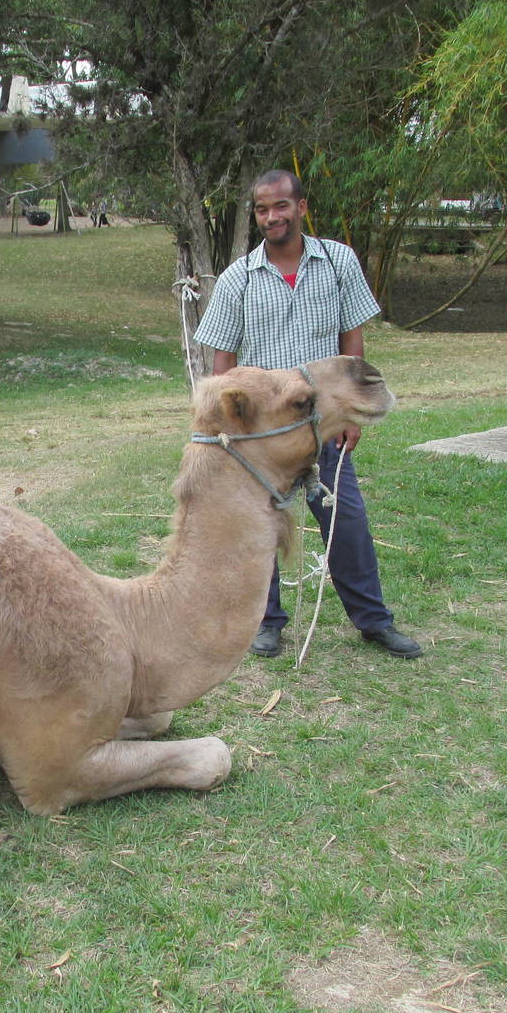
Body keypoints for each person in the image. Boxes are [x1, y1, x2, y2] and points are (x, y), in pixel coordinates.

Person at [193, 169, 422, 660]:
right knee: (261, 524)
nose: (271, 216)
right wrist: (227, 427)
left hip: (324, 425)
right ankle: (266, 623)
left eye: (280, 206)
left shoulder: (339, 262)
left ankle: (374, 622)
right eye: (261, 209)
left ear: (300, 207)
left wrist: (352, 415)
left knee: (345, 520)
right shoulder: (238, 279)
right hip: (268, 431)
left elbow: (351, 343)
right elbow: (222, 362)